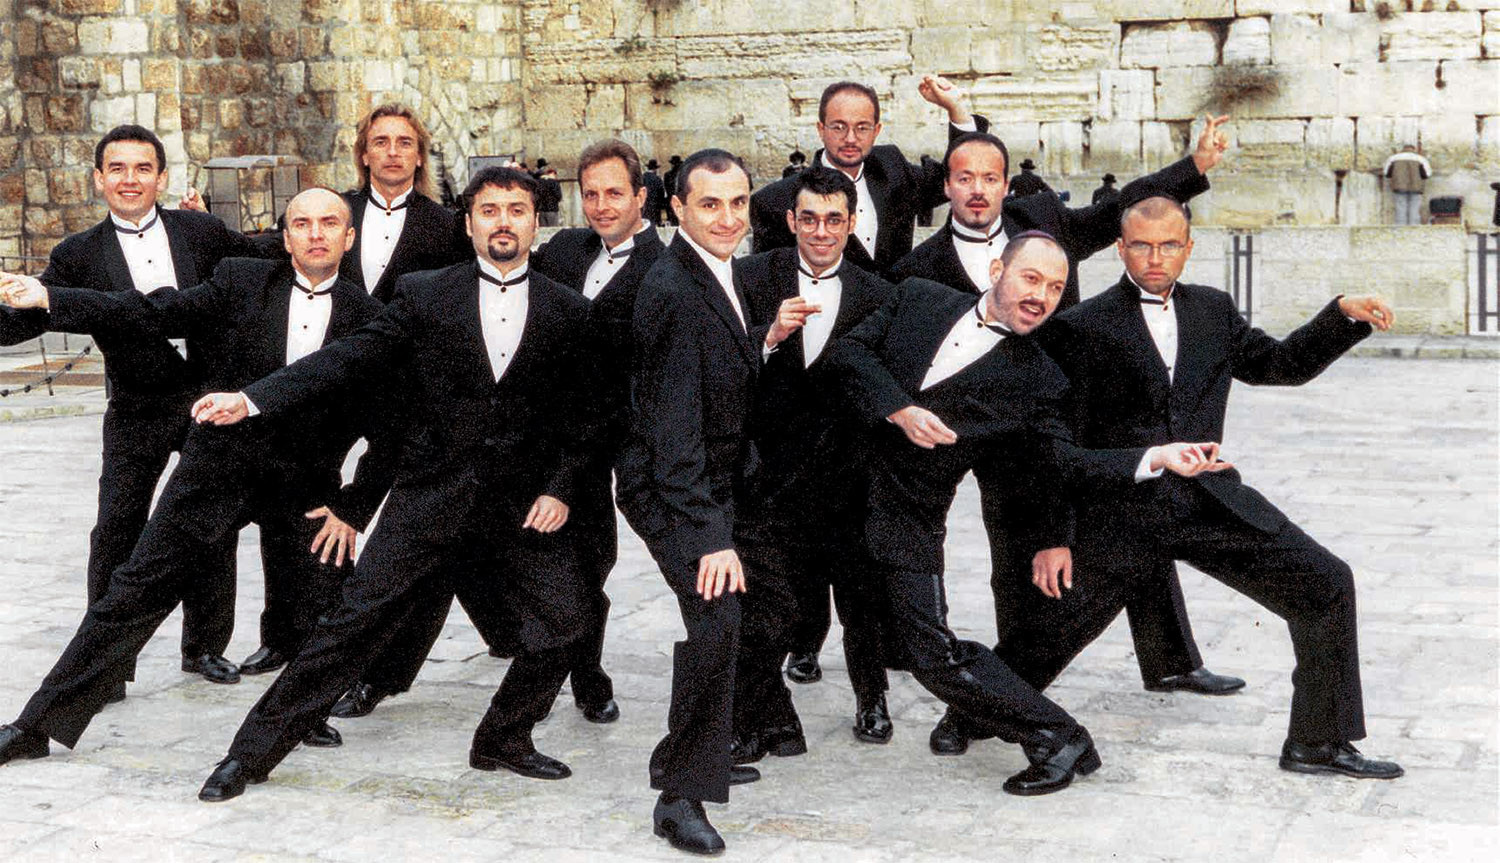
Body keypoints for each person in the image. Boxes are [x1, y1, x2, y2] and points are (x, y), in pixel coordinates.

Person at [185, 167, 597, 803]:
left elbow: (586, 415)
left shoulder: (568, 310)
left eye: (516, 210)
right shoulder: (425, 293)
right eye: (489, 210)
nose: (503, 222)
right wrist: (253, 398)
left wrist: (560, 488)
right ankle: (247, 756)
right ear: (469, 224)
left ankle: (504, 737)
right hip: (428, 499)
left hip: (517, 504)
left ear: (535, 223)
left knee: (570, 619)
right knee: (348, 628)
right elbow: (345, 356)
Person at [995, 195, 1404, 782]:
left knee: (1326, 582)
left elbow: (1279, 365)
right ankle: (967, 714)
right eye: (1141, 245)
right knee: (1047, 637)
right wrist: (1053, 537)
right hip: (1120, 514)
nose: (1154, 258)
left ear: (1188, 249)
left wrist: (1341, 315)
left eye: (1168, 245)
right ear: (1120, 249)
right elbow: (1057, 449)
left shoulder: (1214, 310)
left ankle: (1318, 742)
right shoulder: (1079, 327)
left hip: (1207, 500)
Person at [821, 231, 1230, 799]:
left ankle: (1059, 737)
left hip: (909, 518)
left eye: (1056, 288)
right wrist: (900, 409)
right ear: (997, 271)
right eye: (1031, 279)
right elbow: (848, 354)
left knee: (932, 654)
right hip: (833, 498)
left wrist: (1153, 458)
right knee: (816, 615)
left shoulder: (1039, 379)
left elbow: (1060, 463)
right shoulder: (919, 296)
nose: (1041, 296)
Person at [0, 188, 394, 768]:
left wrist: (354, 507)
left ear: (349, 236)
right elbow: (149, 311)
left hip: (305, 485)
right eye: (302, 223)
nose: (316, 234)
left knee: (324, 602)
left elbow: (395, 429)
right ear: (284, 238)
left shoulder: (373, 320)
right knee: (130, 594)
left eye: (329, 223)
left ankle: (302, 715)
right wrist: (50, 297)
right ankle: (35, 726)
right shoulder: (239, 280)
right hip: (218, 467)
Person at [889, 124, 1244, 757]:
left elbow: (1121, 211)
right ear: (946, 187)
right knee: (1018, 555)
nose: (978, 189)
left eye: (990, 177)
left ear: (1006, 184)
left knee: (1123, 518)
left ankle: (1167, 659)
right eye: (964, 178)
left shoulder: (1045, 223)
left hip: (1053, 405)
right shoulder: (919, 267)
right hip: (967, 425)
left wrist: (1191, 167)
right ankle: (998, 691)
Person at [0, 124, 272, 693]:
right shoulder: (77, 253)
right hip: (136, 407)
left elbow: (261, 259)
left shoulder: (200, 230)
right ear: (99, 179)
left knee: (210, 523)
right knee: (116, 530)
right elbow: (32, 315)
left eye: (143, 168)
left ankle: (204, 647)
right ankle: (105, 667)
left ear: (162, 178)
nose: (130, 180)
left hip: (209, 399)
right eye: (118, 169)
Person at [615, 149, 762, 855]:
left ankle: (684, 748)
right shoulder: (672, 288)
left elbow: (716, 364)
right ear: (676, 208)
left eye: (738, 203)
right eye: (709, 204)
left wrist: (763, 341)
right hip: (671, 488)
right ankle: (680, 797)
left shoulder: (718, 270)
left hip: (711, 479)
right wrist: (710, 538)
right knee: (717, 616)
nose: (727, 218)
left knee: (738, 616)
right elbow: (673, 432)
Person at [731, 167, 896, 764]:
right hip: (771, 476)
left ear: (851, 224)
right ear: (790, 221)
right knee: (773, 596)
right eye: (809, 219)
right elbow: (722, 360)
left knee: (861, 597)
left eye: (833, 220)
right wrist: (769, 336)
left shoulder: (879, 293)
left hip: (849, 477)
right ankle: (764, 705)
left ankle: (872, 698)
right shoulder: (752, 277)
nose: (821, 232)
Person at [532, 138, 667, 724]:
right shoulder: (564, 249)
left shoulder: (665, 269)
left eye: (615, 193)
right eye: (591, 195)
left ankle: (587, 674)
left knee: (592, 561)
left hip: (613, 437)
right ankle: (559, 665)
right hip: (546, 431)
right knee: (550, 560)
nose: (602, 206)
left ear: (641, 196)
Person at [750, 75, 989, 281]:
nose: (851, 138)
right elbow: (768, 280)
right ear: (821, 129)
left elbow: (954, 178)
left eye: (862, 127)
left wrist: (956, 109)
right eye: (839, 127)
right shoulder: (775, 201)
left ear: (877, 130)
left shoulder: (892, 167)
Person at [1383, 145, 1431, 226]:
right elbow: (1427, 174)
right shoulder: (1421, 159)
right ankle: (1413, 227)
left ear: (1403, 149)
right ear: (1413, 149)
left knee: (1400, 209)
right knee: (1414, 209)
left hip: (1399, 187)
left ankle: (1401, 228)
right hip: (1416, 187)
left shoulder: (1393, 158)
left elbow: (1387, 174)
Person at [534, 161, 563, 227]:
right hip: (552, 209)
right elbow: (559, 196)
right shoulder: (554, 182)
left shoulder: (538, 182)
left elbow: (536, 196)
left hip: (541, 210)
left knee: (543, 230)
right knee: (553, 230)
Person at [642, 158, 668, 228]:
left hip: (644, 203)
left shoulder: (643, 177)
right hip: (655, 204)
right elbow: (661, 192)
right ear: (655, 169)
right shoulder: (657, 178)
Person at [661, 155, 683, 225]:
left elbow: (666, 188)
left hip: (671, 200)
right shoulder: (683, 175)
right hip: (681, 200)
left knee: (672, 221)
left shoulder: (667, 175)